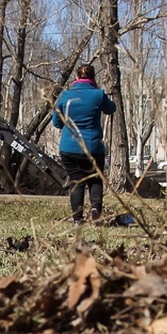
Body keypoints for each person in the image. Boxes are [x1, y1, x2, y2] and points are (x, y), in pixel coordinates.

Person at [53, 64, 116, 224]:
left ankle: (77, 219)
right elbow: (111, 109)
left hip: (68, 147)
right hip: (92, 146)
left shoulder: (64, 96)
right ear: (93, 78)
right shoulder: (98, 95)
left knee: (76, 181)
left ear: (76, 77)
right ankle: (95, 209)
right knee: (95, 180)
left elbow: (56, 122)